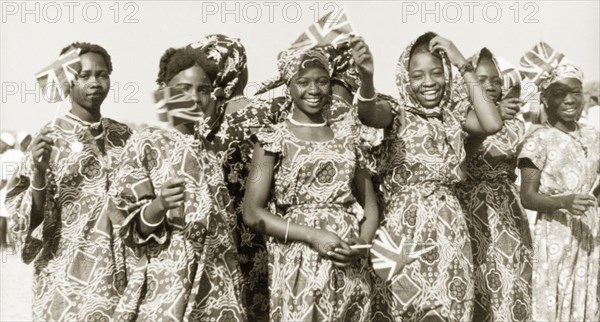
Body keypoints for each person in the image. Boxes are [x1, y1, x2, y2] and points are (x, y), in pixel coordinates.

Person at [357, 32, 503, 321]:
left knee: (451, 309)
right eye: (417, 75)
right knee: (404, 309)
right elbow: (368, 114)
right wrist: (367, 79)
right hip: (402, 230)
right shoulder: (395, 112)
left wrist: (462, 63)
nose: (428, 83)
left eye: (437, 73)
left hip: (449, 227)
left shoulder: (454, 116)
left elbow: (492, 122)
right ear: (404, 78)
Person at [243, 45, 379, 321]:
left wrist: (361, 245)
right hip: (298, 258)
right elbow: (251, 212)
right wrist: (313, 235)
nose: (314, 90)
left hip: (347, 261)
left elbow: (371, 208)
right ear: (288, 87)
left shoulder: (349, 137)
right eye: (302, 82)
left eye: (322, 81)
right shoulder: (271, 140)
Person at [109, 46, 246, 321]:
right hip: (169, 282)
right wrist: (158, 205)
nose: (195, 98)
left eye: (203, 90)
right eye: (184, 88)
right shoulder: (146, 142)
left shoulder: (209, 151)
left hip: (217, 284)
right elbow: (127, 222)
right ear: (165, 89)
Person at [5, 42, 133, 320]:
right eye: (84, 75)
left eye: (102, 74)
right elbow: (26, 226)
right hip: (65, 282)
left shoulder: (125, 137)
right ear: (67, 82)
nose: (95, 82)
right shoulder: (49, 138)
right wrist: (38, 173)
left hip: (120, 282)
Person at [518, 59, 600, 321]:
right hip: (556, 233)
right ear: (545, 99)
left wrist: (592, 202)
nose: (569, 99)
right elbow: (527, 196)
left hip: (590, 232)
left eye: (575, 91)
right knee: (557, 295)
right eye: (559, 93)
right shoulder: (537, 139)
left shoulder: (592, 136)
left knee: (585, 299)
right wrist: (564, 201)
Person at [456, 48, 533, 321]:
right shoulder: (458, 118)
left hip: (508, 212)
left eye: (496, 80)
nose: (490, 85)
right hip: (470, 211)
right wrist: (493, 118)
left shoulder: (516, 124)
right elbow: (459, 159)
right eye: (481, 79)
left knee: (514, 283)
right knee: (477, 283)